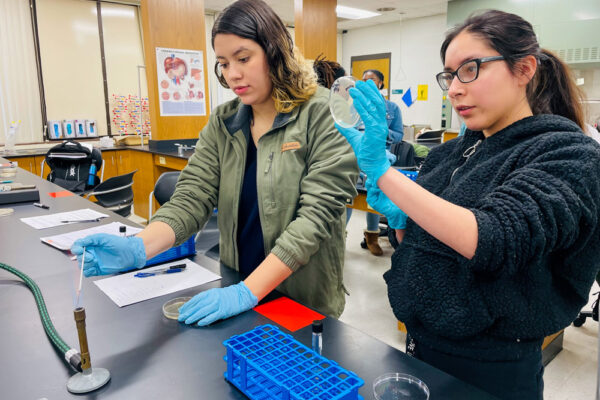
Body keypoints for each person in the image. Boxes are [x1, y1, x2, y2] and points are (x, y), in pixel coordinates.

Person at [336, 10, 600, 399]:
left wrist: (383, 174)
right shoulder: (449, 155)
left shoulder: (568, 154)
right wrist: (401, 219)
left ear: (524, 68)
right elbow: (425, 247)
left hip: (493, 365)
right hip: (421, 347)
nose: (454, 89)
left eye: (470, 69)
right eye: (449, 75)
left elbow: (495, 238)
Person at [71, 0, 358, 323]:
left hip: (300, 298)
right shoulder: (224, 122)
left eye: (243, 58)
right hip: (236, 285)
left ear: (275, 52)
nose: (232, 74)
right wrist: (139, 247)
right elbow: (192, 197)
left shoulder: (323, 112)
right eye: (223, 63)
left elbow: (316, 218)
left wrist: (249, 291)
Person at [350, 69, 404, 256]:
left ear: (381, 83)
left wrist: (379, 132)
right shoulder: (355, 105)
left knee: (374, 195)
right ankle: (341, 234)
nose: (366, 83)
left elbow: (399, 135)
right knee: (349, 194)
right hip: (355, 152)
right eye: (363, 80)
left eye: (371, 80)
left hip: (381, 154)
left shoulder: (392, 108)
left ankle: (372, 237)